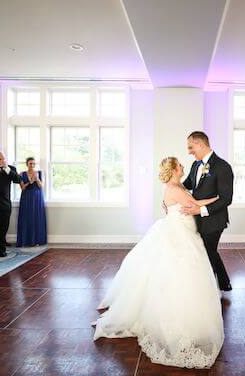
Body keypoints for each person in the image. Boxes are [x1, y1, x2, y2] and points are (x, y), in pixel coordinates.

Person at [92, 157, 224, 369]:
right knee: (179, 271)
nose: (183, 167)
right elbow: (195, 204)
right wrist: (217, 198)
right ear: (173, 170)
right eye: (179, 165)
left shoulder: (177, 184)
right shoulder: (174, 187)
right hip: (179, 232)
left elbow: (184, 200)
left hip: (183, 228)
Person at [181, 131, 233, 291]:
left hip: (214, 220)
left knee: (206, 254)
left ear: (200, 144)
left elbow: (226, 199)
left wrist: (201, 209)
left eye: (191, 147)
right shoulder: (196, 164)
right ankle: (224, 283)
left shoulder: (223, 167)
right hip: (197, 219)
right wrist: (171, 190)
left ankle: (208, 292)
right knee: (209, 250)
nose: (189, 151)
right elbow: (188, 185)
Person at [16, 157, 47, 247]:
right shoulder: (22, 174)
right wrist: (30, 182)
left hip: (37, 197)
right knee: (27, 217)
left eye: (34, 163)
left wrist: (36, 179)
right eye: (30, 163)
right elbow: (22, 188)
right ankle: (26, 240)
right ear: (27, 164)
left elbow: (41, 186)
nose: (32, 165)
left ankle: (37, 240)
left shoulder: (40, 173)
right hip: (26, 197)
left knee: (37, 217)